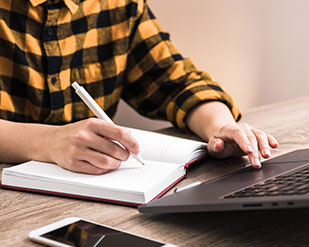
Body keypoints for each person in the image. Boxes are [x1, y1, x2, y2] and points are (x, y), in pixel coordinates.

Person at [0, 0, 278, 174]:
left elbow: (176, 81)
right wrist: (47, 142)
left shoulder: (120, 5)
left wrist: (220, 127)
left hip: (90, 197)